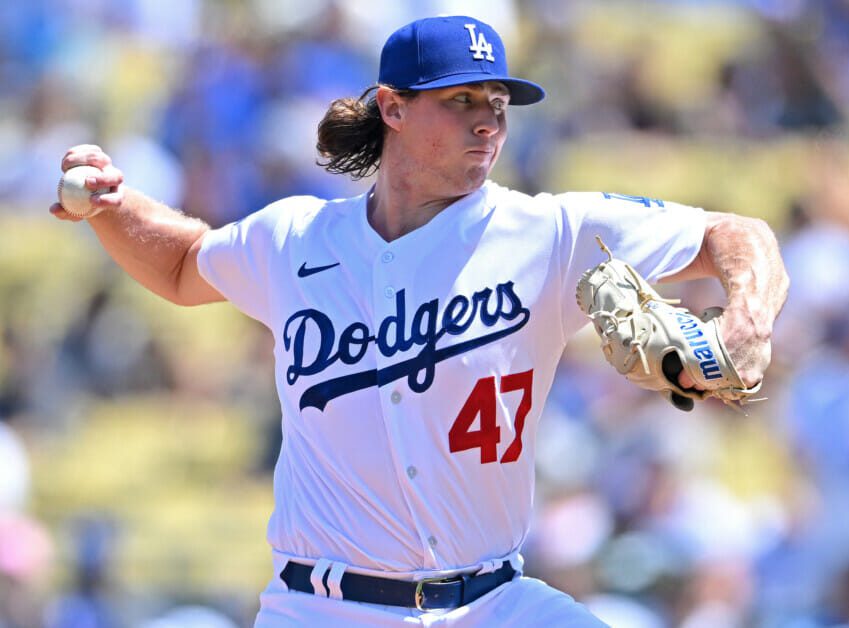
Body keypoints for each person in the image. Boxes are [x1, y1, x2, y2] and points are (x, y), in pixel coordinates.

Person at [51, 15, 789, 627]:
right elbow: (184, 264)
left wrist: (747, 324)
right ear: (393, 107)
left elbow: (734, 234)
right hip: (322, 607)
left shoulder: (549, 233)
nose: (487, 121)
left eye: (497, 102)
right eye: (461, 100)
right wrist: (114, 206)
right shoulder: (295, 239)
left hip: (494, 602)